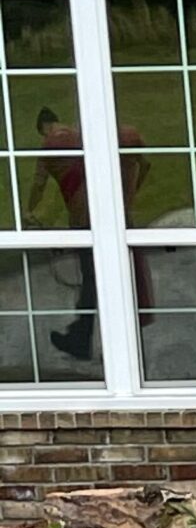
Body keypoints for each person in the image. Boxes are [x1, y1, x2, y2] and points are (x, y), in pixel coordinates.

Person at [26, 105, 152, 362]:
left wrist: (27, 211)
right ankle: (126, 342)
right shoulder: (112, 136)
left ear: (44, 128)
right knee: (127, 279)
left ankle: (83, 339)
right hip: (120, 216)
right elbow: (145, 165)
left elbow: (39, 185)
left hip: (85, 221)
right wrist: (130, 195)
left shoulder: (50, 146)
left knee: (92, 282)